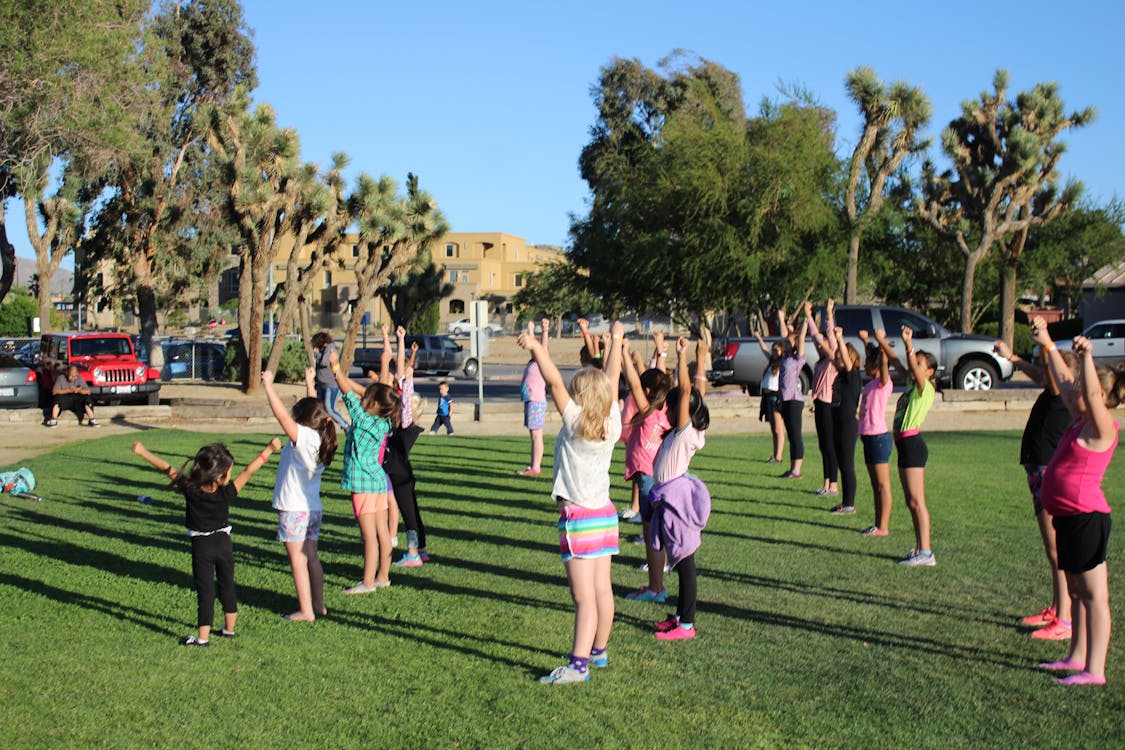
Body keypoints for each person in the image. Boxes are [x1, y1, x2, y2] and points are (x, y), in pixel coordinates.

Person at [520, 319, 623, 684]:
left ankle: (578, 666)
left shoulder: (576, 421)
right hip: (605, 516)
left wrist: (536, 347)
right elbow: (610, 374)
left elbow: (553, 381)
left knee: (584, 598)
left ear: (580, 397)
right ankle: (599, 651)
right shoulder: (613, 422)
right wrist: (616, 341)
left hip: (579, 520)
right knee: (601, 591)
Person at [1032, 320, 1122, 686]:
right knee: (1076, 592)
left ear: (1099, 395)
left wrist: (1088, 356)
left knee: (1095, 596)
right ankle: (1077, 656)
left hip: (1088, 518)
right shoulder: (1078, 421)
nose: (1075, 392)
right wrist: (1049, 345)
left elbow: (1085, 388)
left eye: (1087, 389)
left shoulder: (1102, 428)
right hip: (1069, 518)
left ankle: (1094, 671)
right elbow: (1068, 382)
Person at [131, 437, 279, 645]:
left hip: (202, 547)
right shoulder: (227, 492)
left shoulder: (190, 489)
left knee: (206, 592)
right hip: (224, 543)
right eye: (229, 472)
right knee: (227, 586)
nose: (231, 475)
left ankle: (202, 638)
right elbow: (249, 471)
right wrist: (269, 450)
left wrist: (143, 452)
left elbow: (168, 469)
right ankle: (229, 629)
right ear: (219, 477)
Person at [994, 338, 1077, 641]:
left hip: (1046, 472)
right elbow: (1042, 375)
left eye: (1052, 367)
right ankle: (1058, 608)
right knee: (1052, 549)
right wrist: (1013, 357)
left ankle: (1064, 621)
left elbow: (1050, 378)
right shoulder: (1055, 387)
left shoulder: (1063, 393)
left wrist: (1045, 342)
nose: (1046, 373)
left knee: (1057, 550)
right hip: (1038, 471)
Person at [262, 366, 337, 621]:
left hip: (294, 509)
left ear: (302, 421)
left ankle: (306, 611)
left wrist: (269, 387)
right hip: (312, 509)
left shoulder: (303, 437)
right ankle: (318, 605)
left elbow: (284, 418)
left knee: (297, 560)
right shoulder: (320, 437)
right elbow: (314, 411)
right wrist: (309, 383)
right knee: (312, 558)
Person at [650, 336, 712, 642]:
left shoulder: (686, 435)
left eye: (671, 408)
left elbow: (689, 392)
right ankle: (679, 615)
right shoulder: (678, 434)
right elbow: (696, 391)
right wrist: (700, 358)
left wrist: (682, 354)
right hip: (668, 505)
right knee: (679, 560)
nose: (667, 413)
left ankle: (686, 625)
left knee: (685, 562)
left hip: (675, 506)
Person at [328, 347, 400, 593]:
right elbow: (375, 393)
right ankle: (383, 576)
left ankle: (368, 583)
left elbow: (347, 394)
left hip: (364, 484)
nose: (363, 399)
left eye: (367, 398)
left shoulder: (363, 419)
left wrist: (336, 369)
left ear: (375, 403)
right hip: (378, 481)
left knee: (369, 536)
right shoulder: (384, 420)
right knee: (382, 533)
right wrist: (383, 364)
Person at [619, 336, 673, 603]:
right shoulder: (662, 413)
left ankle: (656, 588)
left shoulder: (650, 412)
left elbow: (634, 382)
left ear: (648, 393)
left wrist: (623, 353)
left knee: (652, 535)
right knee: (652, 533)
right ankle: (656, 585)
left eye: (643, 387)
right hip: (651, 478)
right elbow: (658, 381)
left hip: (649, 480)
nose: (638, 390)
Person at [880, 326, 938, 566]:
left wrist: (909, 345)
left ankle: (926, 553)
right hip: (904, 444)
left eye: (920, 364)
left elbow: (910, 365)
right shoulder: (913, 386)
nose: (915, 366)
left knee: (917, 501)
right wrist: (881, 341)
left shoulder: (926, 388)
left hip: (913, 444)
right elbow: (896, 362)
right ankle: (919, 548)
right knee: (910, 502)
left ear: (930, 371)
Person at [387, 341, 428, 568]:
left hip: (398, 474)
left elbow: (405, 400)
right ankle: (421, 549)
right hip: (404, 473)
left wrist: (409, 380)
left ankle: (413, 554)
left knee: (408, 514)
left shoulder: (406, 425)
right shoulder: (410, 427)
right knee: (413, 511)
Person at [856, 330, 894, 536]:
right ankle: (878, 524)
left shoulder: (883, 383)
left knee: (882, 484)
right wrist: (866, 341)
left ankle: (884, 527)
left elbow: (883, 362)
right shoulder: (870, 385)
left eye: (868, 363)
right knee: (874, 485)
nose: (864, 366)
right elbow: (874, 355)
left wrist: (881, 343)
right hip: (868, 437)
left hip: (879, 438)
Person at [806, 300, 839, 496]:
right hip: (819, 404)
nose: (820, 345)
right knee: (822, 445)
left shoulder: (833, 360)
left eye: (823, 343)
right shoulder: (821, 363)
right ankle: (826, 483)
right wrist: (808, 317)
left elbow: (826, 335)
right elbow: (814, 336)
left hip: (828, 405)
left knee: (829, 444)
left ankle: (834, 485)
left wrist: (828, 312)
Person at [828, 326, 861, 514]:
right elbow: (828, 353)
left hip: (847, 424)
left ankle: (849, 505)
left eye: (841, 356)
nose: (838, 359)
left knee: (847, 465)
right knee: (841, 464)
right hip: (837, 423)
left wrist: (840, 338)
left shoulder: (853, 375)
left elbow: (846, 361)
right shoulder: (840, 376)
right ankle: (845, 502)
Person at [777, 309, 808, 479]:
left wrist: (806, 317)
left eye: (789, 342)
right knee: (791, 435)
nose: (786, 343)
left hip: (795, 400)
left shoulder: (798, 359)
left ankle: (797, 470)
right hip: (785, 399)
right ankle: (792, 468)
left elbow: (801, 337)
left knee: (796, 435)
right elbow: (783, 336)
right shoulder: (785, 357)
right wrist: (781, 318)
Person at [519, 319, 550, 476]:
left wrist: (542, 331)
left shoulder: (541, 360)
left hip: (536, 401)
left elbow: (540, 348)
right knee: (534, 435)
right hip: (531, 401)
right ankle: (534, 466)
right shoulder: (535, 361)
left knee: (537, 435)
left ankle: (536, 467)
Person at [753, 330, 786, 464]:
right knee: (773, 429)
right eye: (773, 350)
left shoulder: (783, 362)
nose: (774, 353)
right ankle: (775, 456)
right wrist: (758, 337)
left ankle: (779, 457)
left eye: (777, 351)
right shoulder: (772, 363)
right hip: (767, 396)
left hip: (775, 396)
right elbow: (764, 349)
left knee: (778, 428)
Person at [312, 332, 348, 432]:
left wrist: (317, 354)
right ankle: (324, 431)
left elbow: (324, 362)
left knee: (329, 409)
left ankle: (345, 426)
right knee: (322, 411)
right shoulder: (323, 349)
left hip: (330, 385)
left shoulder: (329, 348)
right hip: (321, 385)